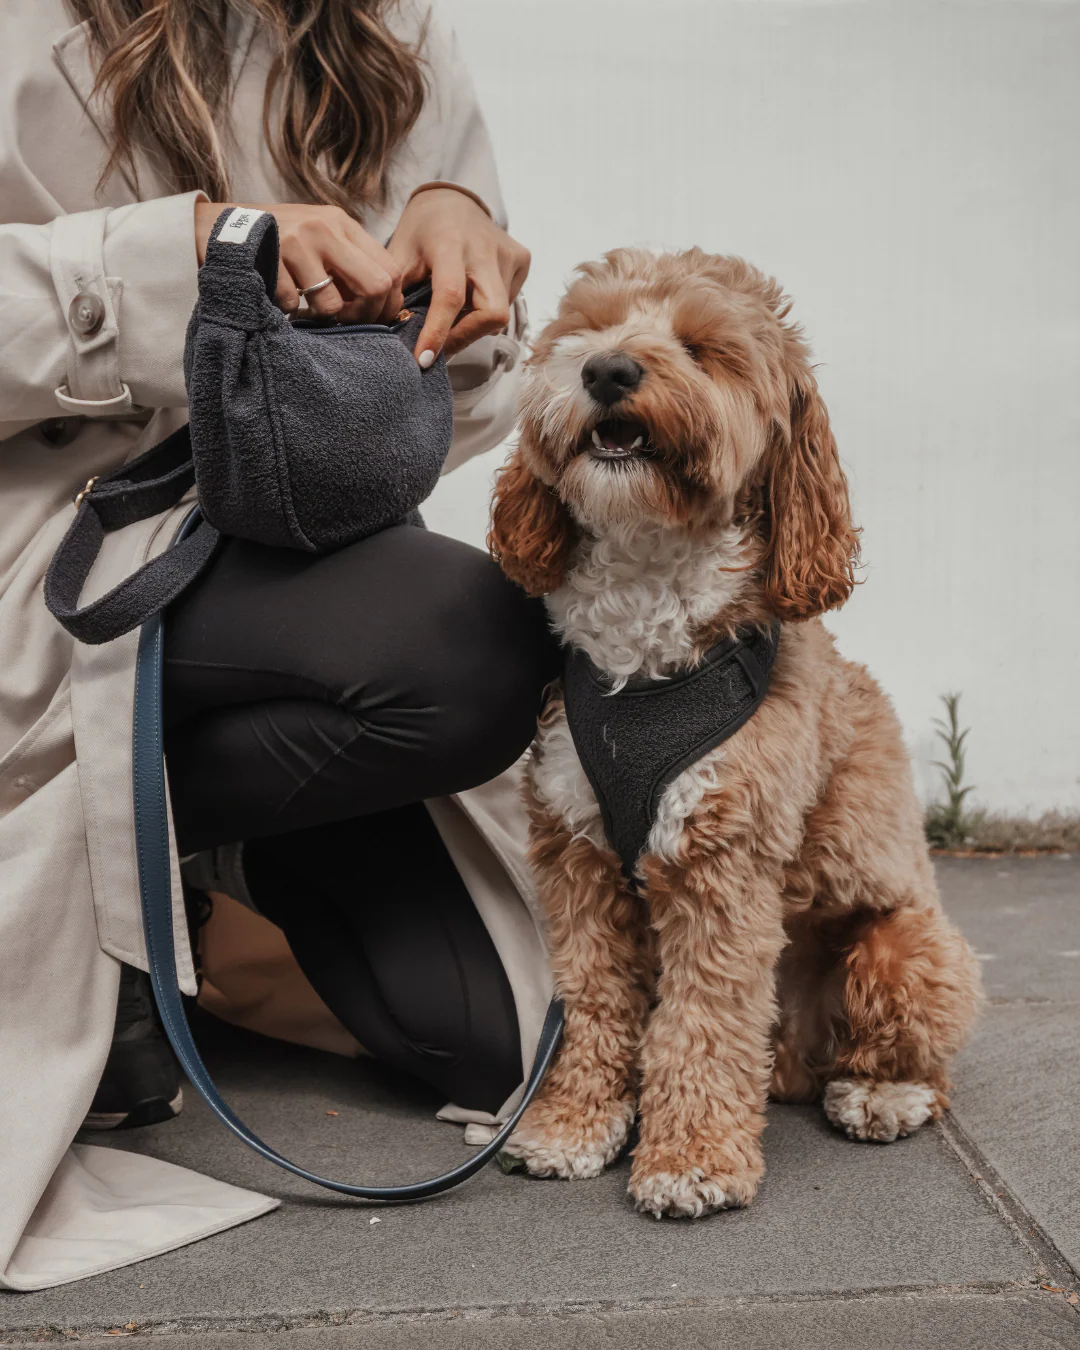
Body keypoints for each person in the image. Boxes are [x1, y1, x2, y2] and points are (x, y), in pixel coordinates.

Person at [0, 0, 556, 1290]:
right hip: (45, 543)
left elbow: (450, 401)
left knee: (497, 1051)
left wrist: (447, 246)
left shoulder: (389, 23)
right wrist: (193, 249)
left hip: (279, 533)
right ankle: (121, 906)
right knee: (449, 637)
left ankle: (182, 884)